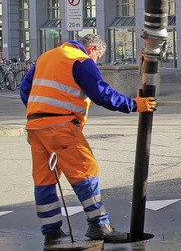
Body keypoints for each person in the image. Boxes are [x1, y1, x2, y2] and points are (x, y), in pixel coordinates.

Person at [19, 34, 157, 246]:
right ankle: (99, 225)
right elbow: (102, 94)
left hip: (36, 127)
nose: (97, 61)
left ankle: (52, 231)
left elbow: (25, 89)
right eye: (98, 56)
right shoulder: (81, 61)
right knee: (86, 171)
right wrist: (134, 105)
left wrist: (40, 111)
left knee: (44, 180)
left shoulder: (46, 57)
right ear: (92, 48)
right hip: (61, 126)